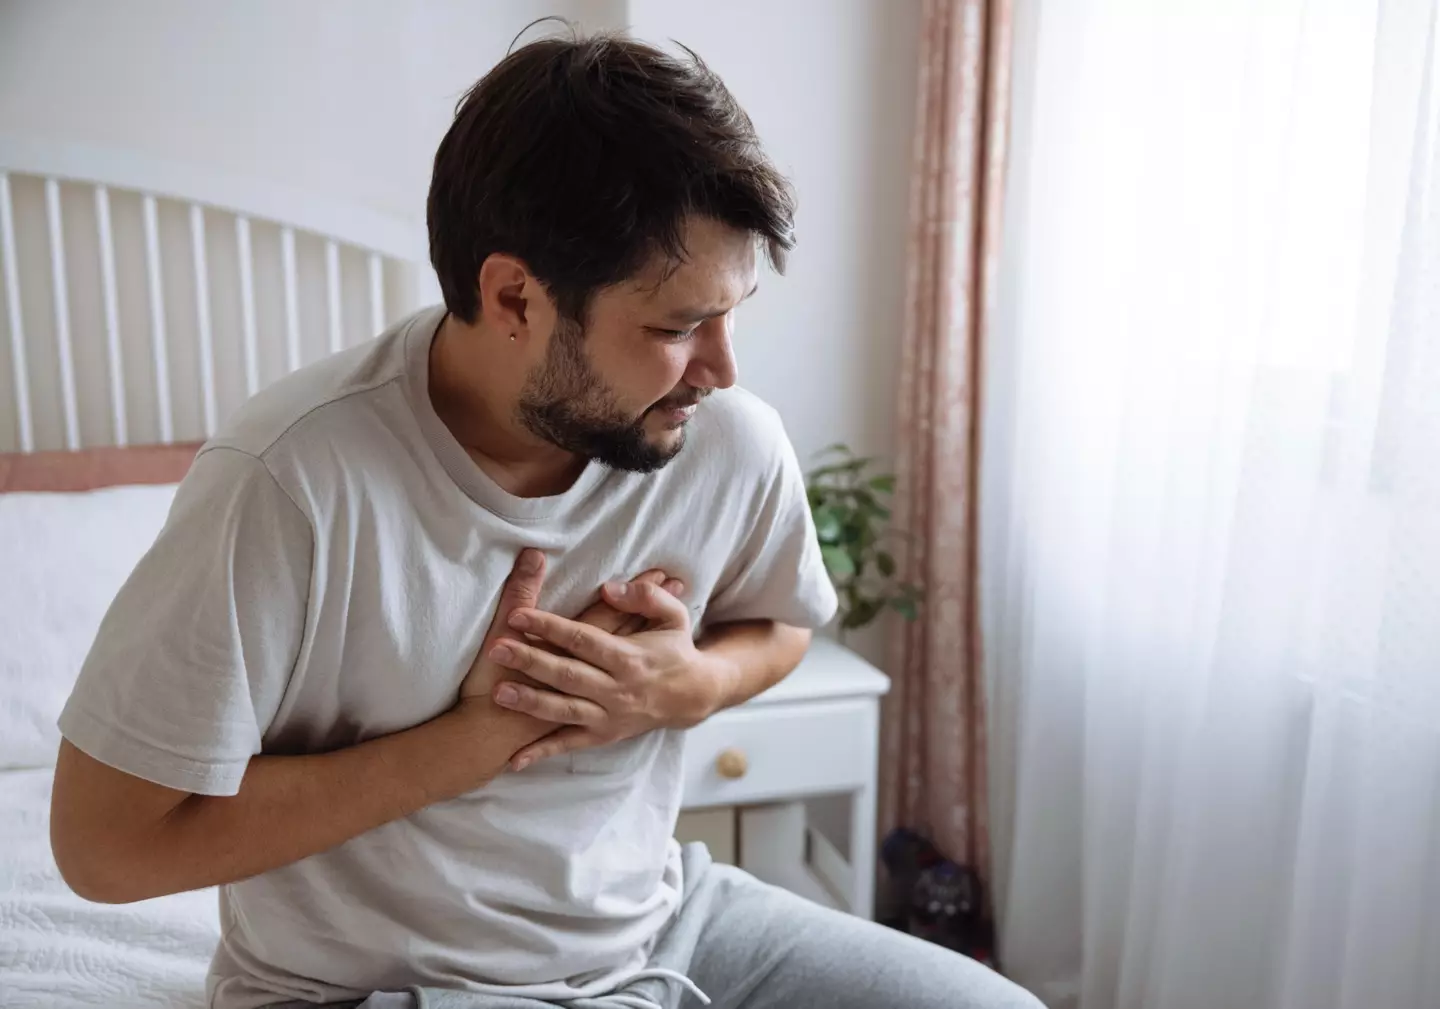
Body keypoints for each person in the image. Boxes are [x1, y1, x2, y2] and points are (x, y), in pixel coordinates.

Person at [48, 29, 1042, 1009]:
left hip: (662, 928)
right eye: (678, 327)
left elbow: (781, 625)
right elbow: (105, 849)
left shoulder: (725, 438)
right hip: (371, 986)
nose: (723, 368)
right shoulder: (289, 482)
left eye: (731, 313)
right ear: (514, 296)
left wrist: (689, 684)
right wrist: (477, 739)